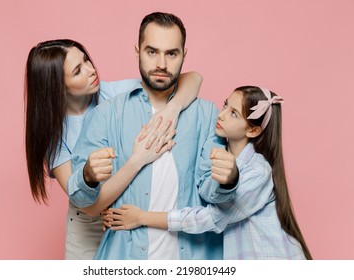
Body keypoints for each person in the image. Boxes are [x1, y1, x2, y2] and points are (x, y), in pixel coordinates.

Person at [68, 12, 238, 260]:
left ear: (184, 55)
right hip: (124, 256)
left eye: (171, 53)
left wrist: (228, 180)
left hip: (194, 258)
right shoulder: (107, 113)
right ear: (137, 51)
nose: (161, 63)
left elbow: (211, 193)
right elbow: (82, 201)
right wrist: (88, 176)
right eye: (152, 52)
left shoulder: (206, 114)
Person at [24, 39, 202, 259]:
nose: (91, 70)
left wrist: (172, 109)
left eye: (86, 59)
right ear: (56, 85)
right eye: (78, 70)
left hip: (126, 214)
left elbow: (193, 78)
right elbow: (89, 206)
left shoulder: (116, 92)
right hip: (87, 227)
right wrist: (138, 160)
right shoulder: (55, 135)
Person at [107, 86, 313, 260]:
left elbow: (212, 218)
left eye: (234, 113)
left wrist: (142, 217)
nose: (221, 114)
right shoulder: (217, 152)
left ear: (253, 131)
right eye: (225, 105)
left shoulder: (257, 172)